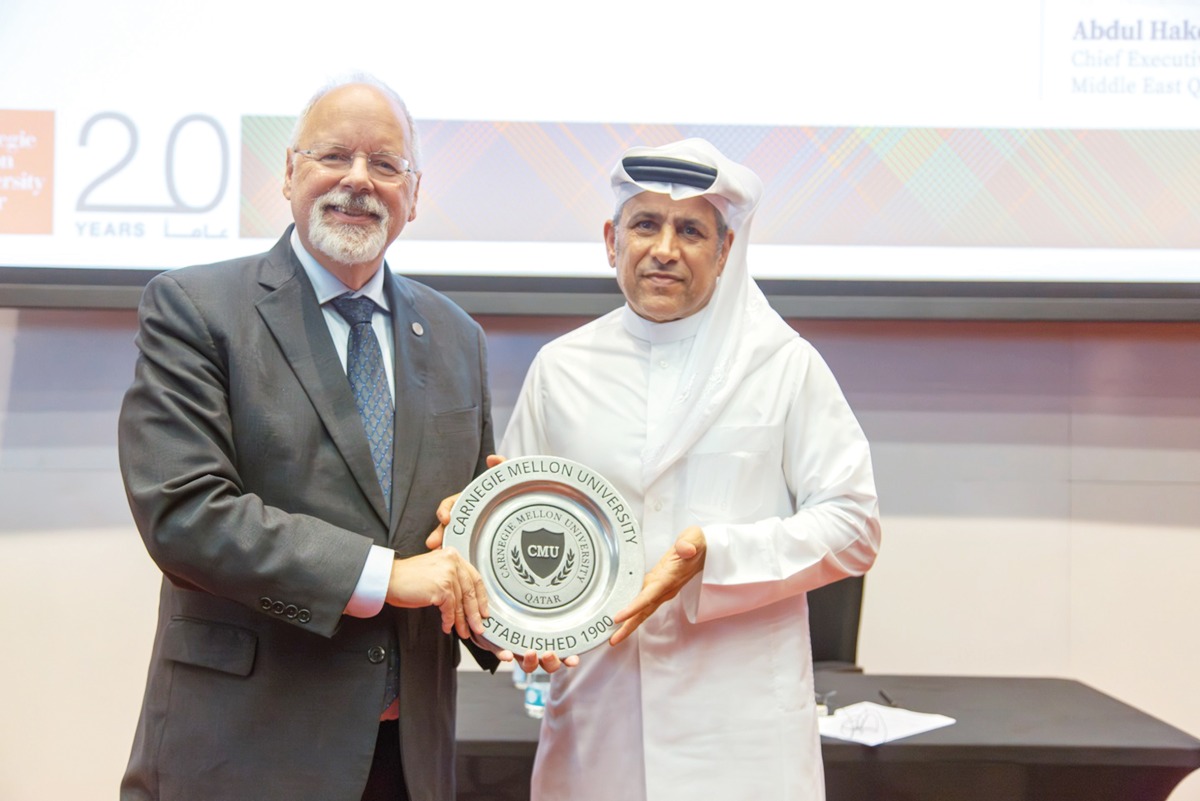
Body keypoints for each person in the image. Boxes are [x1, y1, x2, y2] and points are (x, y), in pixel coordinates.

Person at [118, 74, 500, 801]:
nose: (359, 180)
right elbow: (184, 513)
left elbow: (457, 534)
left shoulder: (457, 336)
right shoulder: (196, 309)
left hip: (407, 760)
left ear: (413, 195)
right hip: (242, 755)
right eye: (334, 156)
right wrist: (384, 574)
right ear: (289, 173)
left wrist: (512, 600)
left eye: (386, 165)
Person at [497, 139, 882, 800]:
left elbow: (854, 525)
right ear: (611, 239)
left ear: (726, 251)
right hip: (598, 724)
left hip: (741, 734)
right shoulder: (559, 371)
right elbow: (520, 532)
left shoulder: (784, 365)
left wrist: (715, 555)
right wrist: (516, 616)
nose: (665, 248)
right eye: (646, 224)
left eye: (691, 230)